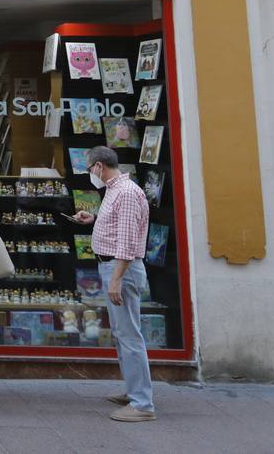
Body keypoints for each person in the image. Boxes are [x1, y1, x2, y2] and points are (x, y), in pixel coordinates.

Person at [73, 145, 156, 423]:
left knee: (130, 335)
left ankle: (142, 403)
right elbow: (119, 227)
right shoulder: (115, 190)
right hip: (111, 266)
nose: (90, 174)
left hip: (121, 269)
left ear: (99, 166)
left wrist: (116, 279)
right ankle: (134, 390)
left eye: (89, 169)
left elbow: (128, 243)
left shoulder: (127, 193)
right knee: (123, 334)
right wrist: (93, 220)